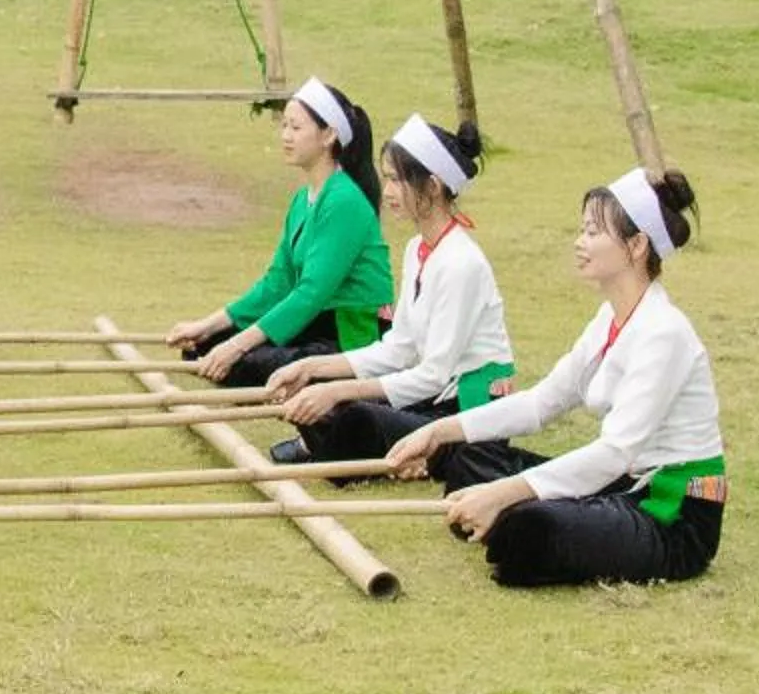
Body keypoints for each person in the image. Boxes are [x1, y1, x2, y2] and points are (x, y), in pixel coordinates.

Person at [386, 169, 725, 587]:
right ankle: (502, 514)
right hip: (622, 485)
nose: (579, 242)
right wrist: (439, 431)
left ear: (636, 245)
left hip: (672, 514)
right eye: (582, 229)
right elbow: (540, 402)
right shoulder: (610, 318)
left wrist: (505, 493)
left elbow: (615, 452)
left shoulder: (664, 332)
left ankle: (507, 520)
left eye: (593, 232)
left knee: (531, 527)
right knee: (475, 457)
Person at [266, 113, 513, 471]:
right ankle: (347, 443)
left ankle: (380, 449)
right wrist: (312, 369)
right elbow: (399, 346)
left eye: (397, 180)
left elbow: (434, 374)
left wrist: (338, 390)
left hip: (468, 408)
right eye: (387, 179)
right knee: (324, 393)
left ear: (432, 185)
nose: (389, 192)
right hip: (437, 395)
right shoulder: (418, 248)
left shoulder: (462, 263)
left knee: (355, 413)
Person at [165, 76, 390, 391]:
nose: (285, 136)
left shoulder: (344, 201)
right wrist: (209, 325)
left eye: (296, 128)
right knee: (201, 346)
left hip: (349, 331)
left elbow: (312, 293)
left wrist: (238, 346)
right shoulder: (303, 199)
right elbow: (278, 282)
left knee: (239, 361)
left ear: (328, 136)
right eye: (284, 125)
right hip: (318, 319)